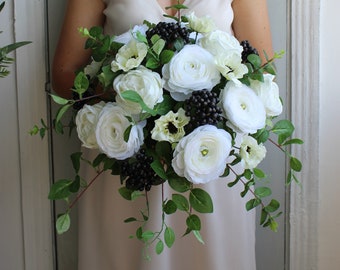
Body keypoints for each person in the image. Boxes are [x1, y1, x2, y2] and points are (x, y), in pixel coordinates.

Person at [52, 1, 274, 269]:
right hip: (127, 166)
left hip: (213, 164)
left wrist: (205, 95)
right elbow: (64, 77)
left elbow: (263, 71)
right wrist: (130, 88)